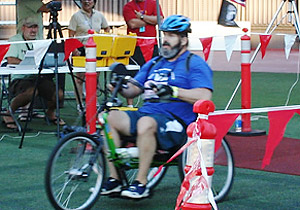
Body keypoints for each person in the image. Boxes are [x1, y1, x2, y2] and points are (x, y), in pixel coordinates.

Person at [101, 15, 213, 199]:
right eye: (164, 35)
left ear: (184, 39)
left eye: (171, 35)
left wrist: (174, 91)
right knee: (109, 117)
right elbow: (133, 90)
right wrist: (120, 86)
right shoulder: (154, 63)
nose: (165, 40)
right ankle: (115, 179)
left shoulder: (194, 63)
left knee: (146, 122)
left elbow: (204, 96)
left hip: (178, 123)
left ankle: (141, 183)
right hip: (147, 115)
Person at [2, 17, 65, 129]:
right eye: (30, 27)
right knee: (31, 91)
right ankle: (8, 112)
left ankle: (50, 112)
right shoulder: (15, 40)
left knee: (59, 94)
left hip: (38, 77)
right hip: (20, 78)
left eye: (35, 27)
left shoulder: (40, 40)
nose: (33, 30)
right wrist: (28, 64)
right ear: (23, 28)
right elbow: (10, 59)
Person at [68, 0, 110, 113]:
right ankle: (80, 105)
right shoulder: (76, 16)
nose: (87, 2)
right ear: (81, 2)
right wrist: (74, 49)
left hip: (96, 49)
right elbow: (71, 34)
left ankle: (93, 102)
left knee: (94, 77)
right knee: (80, 79)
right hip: (81, 49)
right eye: (84, 0)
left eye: (90, 0)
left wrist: (105, 41)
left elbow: (107, 28)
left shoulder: (99, 15)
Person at [123, 0, 164, 107]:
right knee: (132, 74)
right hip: (135, 45)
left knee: (154, 73)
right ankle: (130, 105)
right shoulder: (128, 6)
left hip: (152, 44)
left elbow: (160, 20)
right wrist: (151, 19)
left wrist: (142, 17)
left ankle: (153, 101)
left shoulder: (154, 3)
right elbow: (132, 23)